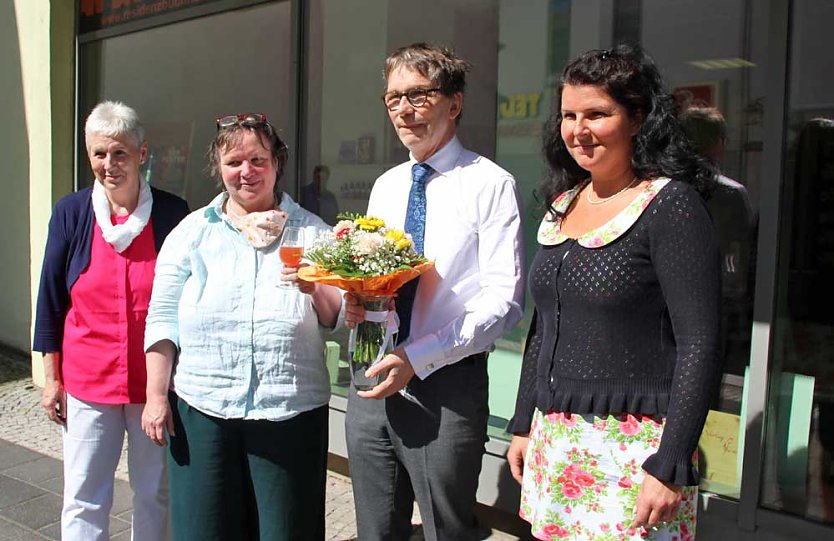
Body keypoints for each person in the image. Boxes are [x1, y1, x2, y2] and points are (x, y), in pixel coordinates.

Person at [506, 45, 722, 540]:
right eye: (569, 115)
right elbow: (543, 326)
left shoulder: (670, 205)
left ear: (637, 118)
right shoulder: (564, 203)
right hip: (556, 439)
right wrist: (523, 422)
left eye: (597, 114)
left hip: (637, 449)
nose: (578, 129)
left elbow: (701, 344)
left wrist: (671, 462)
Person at [344, 43, 525, 541]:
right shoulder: (386, 185)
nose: (404, 110)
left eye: (419, 95)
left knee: (447, 530)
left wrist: (418, 356)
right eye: (393, 98)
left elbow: (504, 302)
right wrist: (358, 300)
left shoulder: (489, 184)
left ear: (455, 102)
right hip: (371, 376)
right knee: (376, 530)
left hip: (445, 384)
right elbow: (378, 277)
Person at [141, 113, 342, 541]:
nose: (246, 171)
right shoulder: (192, 233)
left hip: (289, 410)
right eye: (234, 162)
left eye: (257, 160)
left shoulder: (314, 234)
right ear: (219, 167)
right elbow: (162, 317)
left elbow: (335, 317)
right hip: (202, 408)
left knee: (286, 532)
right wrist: (156, 396)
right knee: (203, 531)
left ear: (276, 164)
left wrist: (313, 287)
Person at [33, 101, 189, 540]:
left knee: (154, 492)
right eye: (99, 154)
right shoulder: (72, 212)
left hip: (153, 384)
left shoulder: (172, 214)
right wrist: (52, 378)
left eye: (120, 153)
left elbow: (188, 301)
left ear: (142, 154)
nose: (109, 164)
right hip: (88, 378)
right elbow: (50, 299)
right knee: (84, 494)